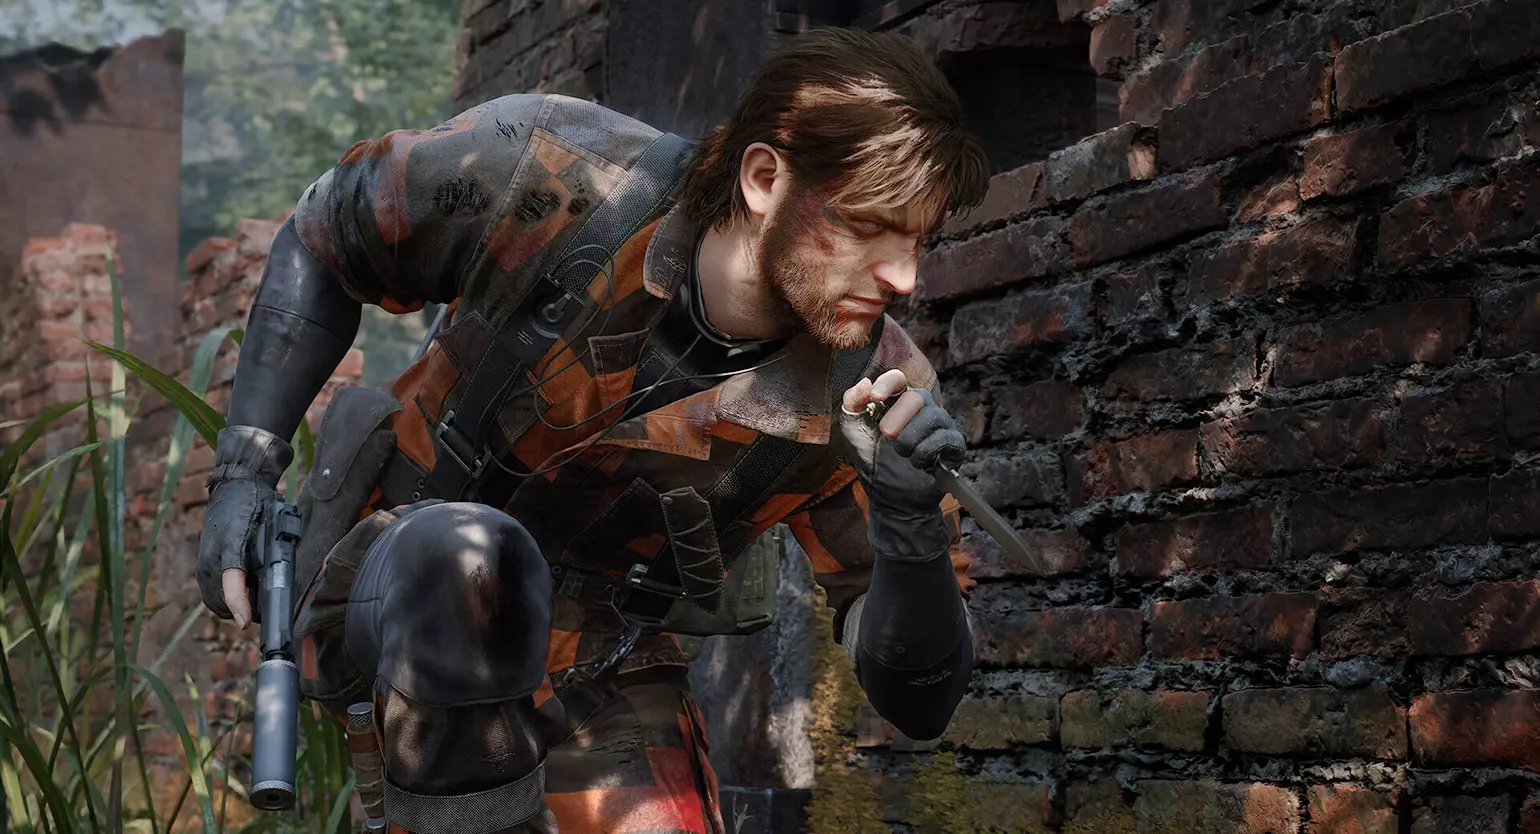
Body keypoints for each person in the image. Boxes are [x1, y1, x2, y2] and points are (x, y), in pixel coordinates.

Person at [196, 25, 989, 834]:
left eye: (917, 239)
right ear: (763, 179)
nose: (903, 276)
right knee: (471, 557)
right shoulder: (552, 168)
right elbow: (327, 234)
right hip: (401, 584)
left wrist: (911, 531)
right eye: (867, 225)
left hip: (597, 657)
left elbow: (921, 705)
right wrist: (245, 469)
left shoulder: (874, 395)